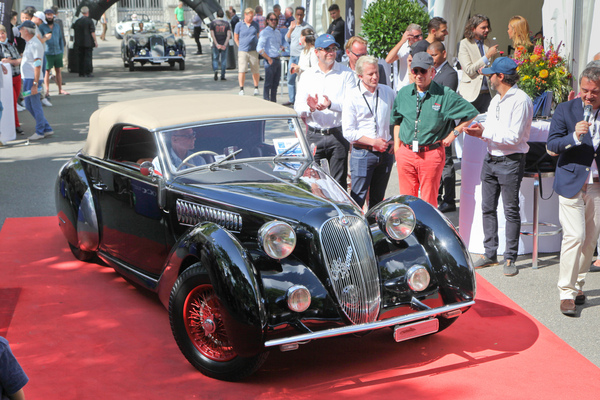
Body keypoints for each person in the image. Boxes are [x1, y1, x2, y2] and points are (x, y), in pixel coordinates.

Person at [463, 57, 532, 276]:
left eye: (492, 75)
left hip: (510, 161)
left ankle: (509, 257)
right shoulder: (496, 100)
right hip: (491, 158)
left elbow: (514, 137)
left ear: (501, 77)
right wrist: (480, 129)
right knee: (488, 207)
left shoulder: (521, 100)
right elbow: (492, 127)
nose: (489, 78)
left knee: (510, 209)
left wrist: (484, 133)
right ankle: (490, 253)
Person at [546, 65, 600, 316]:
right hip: (571, 181)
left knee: (590, 240)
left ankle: (578, 285)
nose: (588, 96)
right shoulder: (566, 109)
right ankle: (566, 292)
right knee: (575, 236)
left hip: (597, 185)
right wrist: (574, 137)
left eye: (594, 92)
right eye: (585, 90)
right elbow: (552, 145)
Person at [391, 52, 477, 207]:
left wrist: (454, 134)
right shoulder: (404, 93)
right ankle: (410, 231)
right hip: (406, 153)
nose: (418, 75)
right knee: (406, 202)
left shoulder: (445, 94)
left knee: (428, 202)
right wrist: (398, 149)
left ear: (432, 72)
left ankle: (426, 230)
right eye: (415, 70)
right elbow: (397, 121)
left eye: (423, 71)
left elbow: (471, 113)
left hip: (430, 154)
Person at [295, 33, 355, 189]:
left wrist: (331, 104)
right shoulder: (307, 75)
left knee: (338, 185)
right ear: (316, 52)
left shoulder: (346, 74)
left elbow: (352, 104)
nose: (331, 52)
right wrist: (309, 108)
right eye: (327, 49)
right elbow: (297, 107)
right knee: (313, 184)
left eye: (333, 48)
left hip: (337, 134)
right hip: (314, 135)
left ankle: (339, 213)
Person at [342, 55, 395, 208]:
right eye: (370, 74)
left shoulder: (387, 92)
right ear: (360, 76)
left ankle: (374, 228)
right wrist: (373, 142)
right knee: (357, 199)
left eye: (376, 73)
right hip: (363, 154)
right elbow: (348, 132)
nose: (375, 77)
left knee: (378, 200)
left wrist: (394, 140)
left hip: (385, 153)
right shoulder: (352, 96)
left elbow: (398, 116)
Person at [427, 41, 459, 213]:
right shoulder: (431, 72)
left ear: (444, 54)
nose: (431, 58)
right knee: (434, 162)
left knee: (445, 162)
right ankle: (436, 196)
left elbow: (443, 100)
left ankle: (449, 199)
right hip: (431, 125)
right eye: (429, 55)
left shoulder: (449, 73)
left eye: (434, 55)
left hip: (444, 125)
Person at [18, 20, 53, 140]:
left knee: (35, 105)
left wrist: (35, 84)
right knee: (29, 104)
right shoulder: (30, 42)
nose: (19, 31)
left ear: (26, 31)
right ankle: (46, 128)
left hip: (32, 79)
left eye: (21, 29)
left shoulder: (35, 44)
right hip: (29, 78)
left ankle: (40, 131)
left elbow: (37, 65)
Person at [458, 14, 499, 113]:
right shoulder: (464, 44)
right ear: (473, 28)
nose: (487, 30)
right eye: (483, 28)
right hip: (471, 95)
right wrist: (487, 56)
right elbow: (469, 70)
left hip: (490, 93)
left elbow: (497, 67)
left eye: (487, 27)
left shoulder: (490, 43)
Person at [284, 6, 312, 106]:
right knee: (290, 78)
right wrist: (291, 29)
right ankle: (292, 99)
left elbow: (314, 38)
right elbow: (287, 39)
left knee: (302, 79)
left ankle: (303, 99)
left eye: (301, 15)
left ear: (304, 15)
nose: (299, 17)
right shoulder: (292, 25)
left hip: (303, 56)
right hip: (293, 56)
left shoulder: (307, 27)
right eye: (298, 15)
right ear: (295, 15)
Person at [0, 24, 23, 136]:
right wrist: (13, 61)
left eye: (3, 33)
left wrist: (11, 61)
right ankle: (16, 125)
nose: (1, 35)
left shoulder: (11, 44)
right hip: (7, 80)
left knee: (14, 102)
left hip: (17, 76)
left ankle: (13, 124)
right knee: (13, 102)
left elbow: (19, 59)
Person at [385, 23, 422, 92]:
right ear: (409, 37)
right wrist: (402, 41)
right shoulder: (404, 47)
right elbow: (388, 60)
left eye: (421, 35)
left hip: (419, 88)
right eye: (416, 36)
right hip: (403, 88)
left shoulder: (424, 47)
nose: (420, 38)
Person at [257, 13, 282, 102]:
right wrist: (268, 58)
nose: (273, 21)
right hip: (270, 60)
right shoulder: (264, 32)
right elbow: (259, 48)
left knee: (275, 84)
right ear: (267, 20)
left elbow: (278, 47)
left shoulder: (277, 32)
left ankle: (274, 102)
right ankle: (266, 102)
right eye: (271, 19)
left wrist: (280, 51)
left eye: (275, 19)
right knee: (268, 84)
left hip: (277, 59)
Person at [43, 9, 68, 98]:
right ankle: (47, 90)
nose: (49, 16)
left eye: (50, 14)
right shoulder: (42, 26)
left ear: (53, 15)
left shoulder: (57, 26)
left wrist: (61, 50)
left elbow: (61, 38)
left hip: (57, 51)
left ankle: (60, 89)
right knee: (47, 71)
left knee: (58, 71)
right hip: (47, 52)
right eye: (47, 15)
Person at [235, 8, 260, 96]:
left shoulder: (255, 24)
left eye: (252, 16)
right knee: (242, 70)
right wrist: (240, 46)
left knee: (255, 70)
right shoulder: (239, 25)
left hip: (253, 50)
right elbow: (236, 37)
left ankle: (256, 88)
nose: (251, 17)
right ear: (245, 15)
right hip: (243, 51)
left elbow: (257, 35)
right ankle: (241, 89)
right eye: (249, 16)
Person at [72, 6, 97, 78]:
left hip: (79, 43)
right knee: (88, 58)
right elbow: (92, 32)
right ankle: (88, 72)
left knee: (80, 58)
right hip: (88, 43)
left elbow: (74, 30)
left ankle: (81, 72)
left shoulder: (77, 21)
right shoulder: (90, 21)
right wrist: (95, 41)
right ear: (88, 12)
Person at [209, 9, 231, 81]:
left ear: (217, 15)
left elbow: (212, 35)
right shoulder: (227, 24)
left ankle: (215, 70)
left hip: (216, 45)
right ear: (223, 15)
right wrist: (225, 44)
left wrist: (216, 44)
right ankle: (222, 75)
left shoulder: (213, 23)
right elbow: (228, 35)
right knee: (223, 60)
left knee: (215, 59)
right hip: (224, 44)